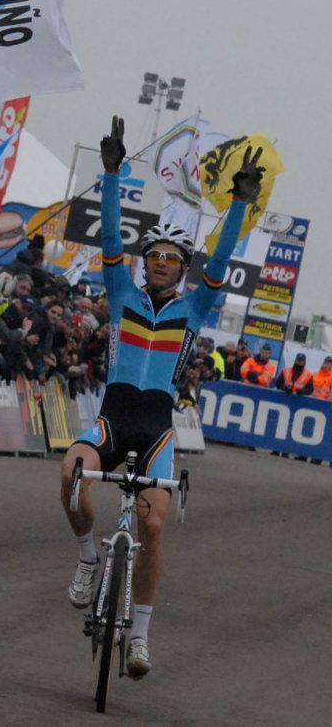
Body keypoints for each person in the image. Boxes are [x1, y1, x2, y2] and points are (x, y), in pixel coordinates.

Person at [61, 116, 261, 680]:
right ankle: (86, 561)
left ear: (182, 268)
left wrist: (239, 207)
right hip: (111, 419)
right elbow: (108, 238)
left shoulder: (194, 308)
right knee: (70, 473)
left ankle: (141, 636)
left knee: (151, 527)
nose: (162, 264)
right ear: (143, 263)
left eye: (173, 258)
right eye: (155, 257)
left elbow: (219, 263)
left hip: (157, 430)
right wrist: (110, 173)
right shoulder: (122, 291)